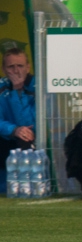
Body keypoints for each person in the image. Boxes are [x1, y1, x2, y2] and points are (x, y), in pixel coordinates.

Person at [0, 49, 35, 184]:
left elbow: (29, 123)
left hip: (31, 139)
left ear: (28, 67)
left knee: (26, 137)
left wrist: (18, 92)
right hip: (7, 137)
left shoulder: (36, 86)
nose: (16, 71)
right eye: (11, 67)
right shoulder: (1, 86)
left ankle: (29, 185)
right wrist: (14, 130)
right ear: (4, 69)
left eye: (20, 66)